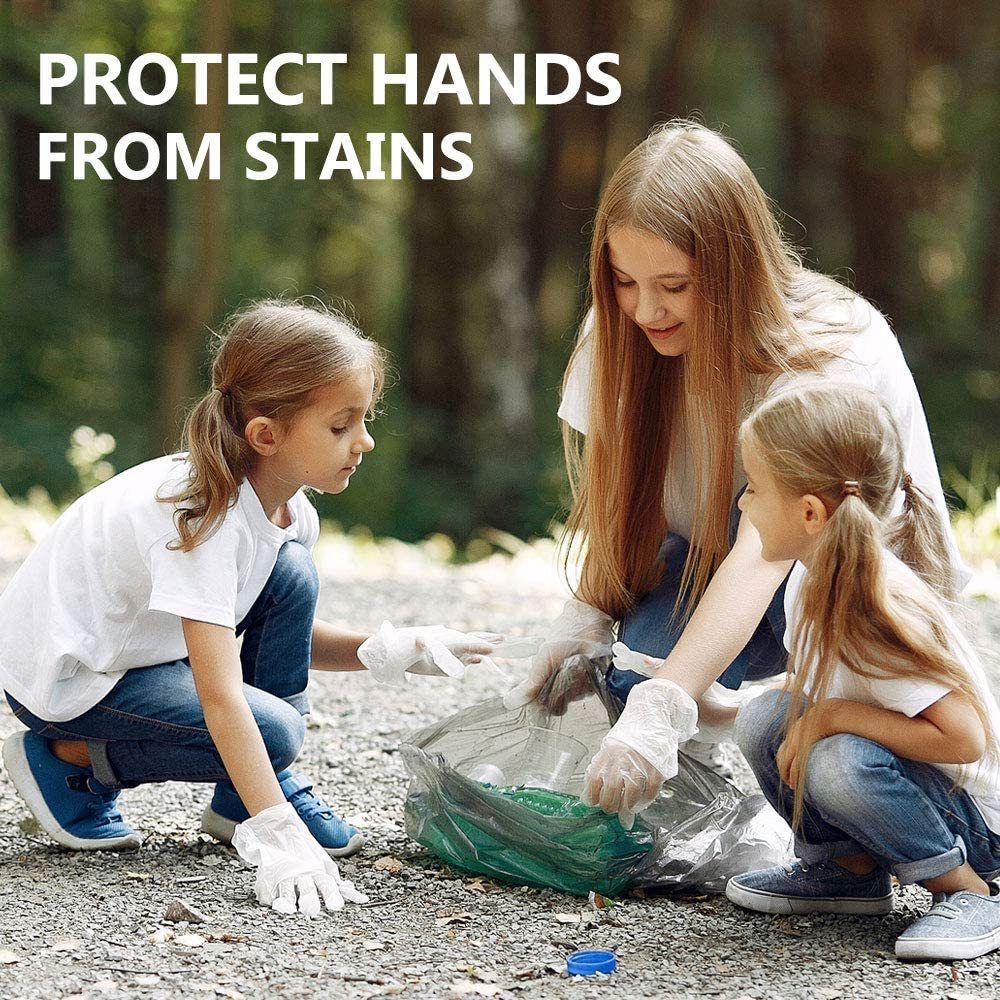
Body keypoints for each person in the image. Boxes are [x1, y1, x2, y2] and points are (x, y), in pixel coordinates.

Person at [504, 120, 968, 820]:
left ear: (734, 270)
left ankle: (843, 818)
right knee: (629, 687)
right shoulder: (621, 329)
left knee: (689, 711)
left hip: (844, 587)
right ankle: (719, 747)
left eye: (675, 285)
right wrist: (588, 618)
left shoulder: (830, 354)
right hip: (714, 557)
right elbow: (623, 500)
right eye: (625, 281)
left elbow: (767, 547)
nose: (646, 310)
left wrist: (667, 706)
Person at [0, 299, 506, 915]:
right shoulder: (203, 519)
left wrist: (390, 647)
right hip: (70, 680)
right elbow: (219, 693)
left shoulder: (289, 510)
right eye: (342, 425)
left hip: (144, 656)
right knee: (274, 731)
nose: (365, 441)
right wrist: (279, 833)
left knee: (289, 574)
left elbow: (271, 628)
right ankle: (68, 760)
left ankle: (243, 795)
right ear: (267, 435)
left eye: (364, 419)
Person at [723, 382, 1000, 962]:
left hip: (978, 828)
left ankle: (971, 891)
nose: (742, 504)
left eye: (753, 488)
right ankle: (848, 873)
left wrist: (832, 717)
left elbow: (966, 736)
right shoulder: (808, 576)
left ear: (809, 512)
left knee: (838, 760)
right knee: (766, 719)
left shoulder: (876, 606)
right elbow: (813, 691)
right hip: (920, 786)